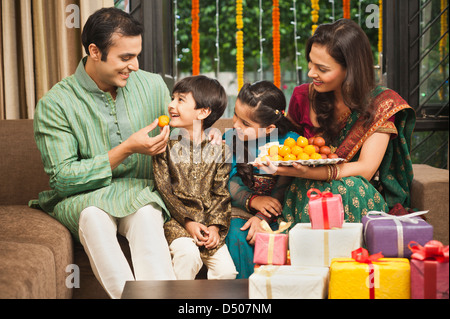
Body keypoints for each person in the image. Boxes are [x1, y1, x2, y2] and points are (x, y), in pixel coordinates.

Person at [32, 7, 177, 299]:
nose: (135, 66)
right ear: (95, 51)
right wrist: (126, 150)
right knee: (94, 219)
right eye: (125, 58)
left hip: (140, 192)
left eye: (136, 55)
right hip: (83, 198)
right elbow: (62, 178)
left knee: (148, 215)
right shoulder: (56, 104)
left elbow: (178, 143)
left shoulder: (152, 86)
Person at [255, 19, 416, 227]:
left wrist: (310, 173)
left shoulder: (381, 103)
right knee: (312, 191)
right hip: (305, 189)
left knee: (344, 188)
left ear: (350, 69)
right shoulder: (303, 96)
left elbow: (365, 169)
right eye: (310, 63)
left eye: (322, 68)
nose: (311, 73)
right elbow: (287, 144)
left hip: (356, 190)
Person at [152, 75, 237, 280]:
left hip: (208, 225)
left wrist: (215, 228)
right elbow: (164, 189)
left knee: (226, 272)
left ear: (203, 112)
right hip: (177, 223)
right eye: (173, 98)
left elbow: (220, 193)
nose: (172, 105)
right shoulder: (163, 145)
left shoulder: (221, 151)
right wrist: (188, 222)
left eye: (181, 100)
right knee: (188, 256)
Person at [223, 81, 300, 279]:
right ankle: (244, 295)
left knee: (275, 238)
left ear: (269, 128)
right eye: (235, 115)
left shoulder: (290, 143)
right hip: (241, 209)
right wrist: (254, 201)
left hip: (279, 211)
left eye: (245, 124)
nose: (235, 125)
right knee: (238, 235)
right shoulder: (231, 138)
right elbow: (229, 180)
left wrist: (262, 218)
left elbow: (285, 185)